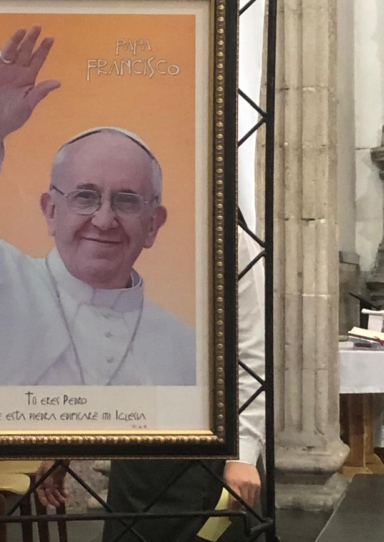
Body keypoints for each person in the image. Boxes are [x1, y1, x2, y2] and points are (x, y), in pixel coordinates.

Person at [0, 25, 194, 386]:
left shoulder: (187, 349)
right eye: (85, 197)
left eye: (126, 201)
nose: (104, 220)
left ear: (153, 225)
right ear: (51, 211)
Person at [35, 224, 267, 542]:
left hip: (212, 447)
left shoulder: (225, 233)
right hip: (136, 453)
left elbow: (250, 354)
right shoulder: (118, 234)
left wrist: (243, 454)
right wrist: (67, 440)